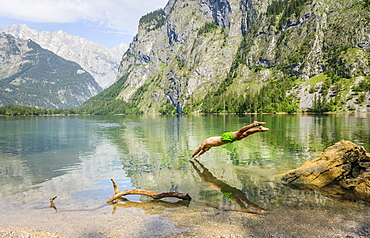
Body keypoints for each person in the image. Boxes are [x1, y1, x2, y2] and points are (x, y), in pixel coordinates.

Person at [191, 121, 269, 158]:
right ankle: (259, 129)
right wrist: (198, 156)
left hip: (225, 137)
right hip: (227, 140)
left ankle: (254, 124)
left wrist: (192, 156)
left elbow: (198, 150)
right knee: (244, 135)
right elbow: (202, 152)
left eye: (206, 150)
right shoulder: (209, 146)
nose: (207, 150)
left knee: (240, 132)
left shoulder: (205, 143)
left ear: (205, 148)